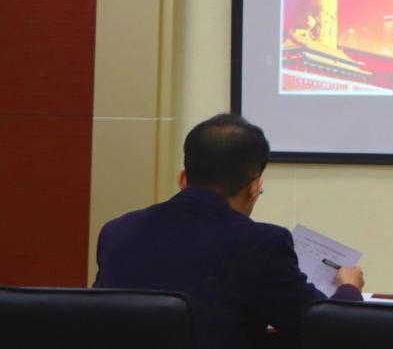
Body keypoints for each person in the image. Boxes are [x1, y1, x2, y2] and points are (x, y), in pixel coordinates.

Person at [94, 113, 364, 349]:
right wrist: (349, 289)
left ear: (183, 179)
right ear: (254, 188)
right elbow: (326, 328)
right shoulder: (262, 245)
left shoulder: (117, 231)